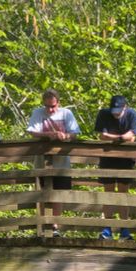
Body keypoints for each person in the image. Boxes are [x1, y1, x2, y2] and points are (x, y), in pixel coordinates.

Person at [26, 88, 81, 237]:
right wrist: (49, 135)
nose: (50, 110)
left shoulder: (66, 114)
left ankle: (55, 226)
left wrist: (65, 136)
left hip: (62, 162)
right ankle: (44, 225)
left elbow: (75, 134)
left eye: (53, 106)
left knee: (59, 194)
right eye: (47, 106)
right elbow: (32, 131)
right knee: (43, 193)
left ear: (59, 103)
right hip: (41, 161)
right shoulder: (38, 113)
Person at [94, 95, 136, 240]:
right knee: (108, 193)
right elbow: (102, 136)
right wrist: (121, 138)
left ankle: (124, 230)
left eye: (119, 109)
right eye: (114, 109)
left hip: (126, 159)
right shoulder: (104, 113)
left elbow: (132, 135)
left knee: (123, 194)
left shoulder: (132, 114)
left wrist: (113, 137)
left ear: (125, 107)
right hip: (107, 158)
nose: (115, 112)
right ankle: (107, 229)